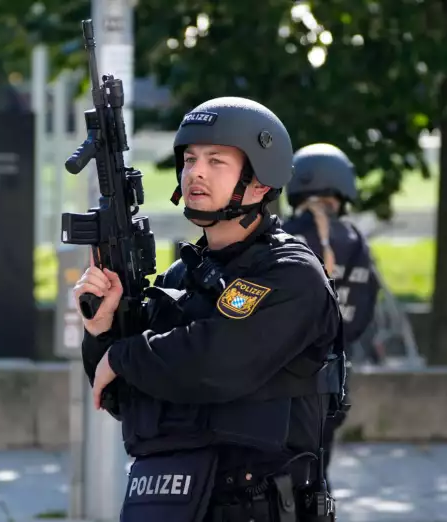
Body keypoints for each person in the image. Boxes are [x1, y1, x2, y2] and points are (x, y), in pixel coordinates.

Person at [73, 97, 347, 522]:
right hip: (171, 506)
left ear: (260, 182)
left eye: (216, 161)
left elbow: (217, 360)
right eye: (189, 160)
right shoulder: (181, 276)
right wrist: (102, 330)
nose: (195, 172)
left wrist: (124, 356)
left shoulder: (292, 274)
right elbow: (120, 397)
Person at [281, 143, 381, 488]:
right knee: (317, 474)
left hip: (281, 381)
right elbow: (364, 310)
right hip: (334, 379)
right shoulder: (356, 241)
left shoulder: (280, 236)